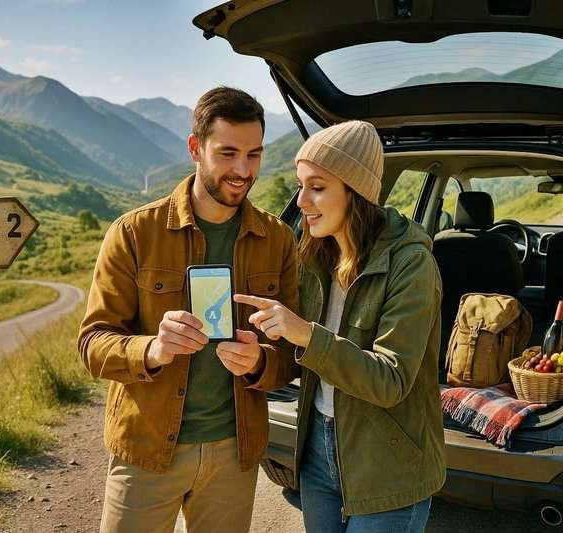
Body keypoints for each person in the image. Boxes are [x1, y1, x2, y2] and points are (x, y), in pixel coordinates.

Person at [78, 86, 300, 533]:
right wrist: (153, 350)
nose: (243, 170)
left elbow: (292, 356)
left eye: (254, 154)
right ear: (196, 148)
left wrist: (260, 363)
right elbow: (91, 345)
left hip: (233, 455)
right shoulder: (134, 233)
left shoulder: (279, 240)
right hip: (145, 450)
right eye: (228, 153)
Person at [235, 120, 446, 532]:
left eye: (317, 187)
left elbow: (389, 380)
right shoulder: (314, 257)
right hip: (317, 449)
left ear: (357, 192)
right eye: (300, 185)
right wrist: (258, 355)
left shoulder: (412, 263)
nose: (301, 201)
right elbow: (299, 356)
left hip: (387, 460)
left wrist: (303, 334)